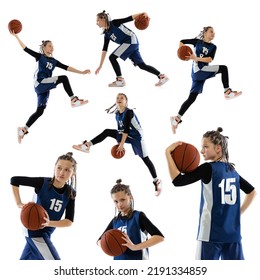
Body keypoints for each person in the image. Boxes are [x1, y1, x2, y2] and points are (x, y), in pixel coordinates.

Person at [165, 128, 256, 260]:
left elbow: (178, 181)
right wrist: (238, 213)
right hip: (233, 234)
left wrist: (168, 153)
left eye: (205, 147)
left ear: (218, 148)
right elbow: (252, 192)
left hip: (210, 235)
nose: (201, 151)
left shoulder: (208, 168)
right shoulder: (232, 171)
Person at [72, 93, 162, 196]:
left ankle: (156, 181)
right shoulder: (117, 114)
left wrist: (121, 145)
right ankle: (87, 146)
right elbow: (120, 130)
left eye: (122, 98)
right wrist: (120, 143)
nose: (119, 99)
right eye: (117, 98)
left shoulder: (129, 112)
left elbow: (127, 129)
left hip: (137, 137)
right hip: (125, 134)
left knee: (145, 159)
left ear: (126, 102)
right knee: (107, 132)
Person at [10, 31, 90, 143]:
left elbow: (66, 67)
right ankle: (73, 100)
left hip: (45, 87)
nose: (52, 47)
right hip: (40, 82)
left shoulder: (54, 61)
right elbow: (25, 48)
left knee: (40, 111)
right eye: (50, 45)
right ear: (44, 48)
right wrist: (16, 36)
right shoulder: (39, 57)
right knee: (63, 78)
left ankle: (23, 130)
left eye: (53, 46)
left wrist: (81, 72)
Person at [171, 26, 242, 134]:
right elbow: (182, 41)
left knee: (192, 98)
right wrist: (181, 52)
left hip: (201, 72)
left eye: (214, 32)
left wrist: (196, 58)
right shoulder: (197, 42)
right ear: (205, 33)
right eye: (211, 31)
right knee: (223, 68)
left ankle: (176, 118)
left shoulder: (213, 47)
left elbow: (209, 59)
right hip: (199, 70)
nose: (213, 33)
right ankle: (227, 92)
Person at [11, 152, 77, 260]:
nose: (61, 172)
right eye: (59, 168)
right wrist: (19, 203)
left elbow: (69, 221)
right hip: (34, 230)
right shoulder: (42, 183)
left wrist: (48, 223)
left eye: (67, 170)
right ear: (54, 167)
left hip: (47, 232)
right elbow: (14, 180)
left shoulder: (71, 193)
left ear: (73, 173)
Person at [95, 10, 169, 87]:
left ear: (103, 19)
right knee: (142, 65)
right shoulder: (106, 34)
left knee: (112, 57)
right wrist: (100, 65)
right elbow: (104, 49)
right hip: (131, 44)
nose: (96, 23)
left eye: (98, 20)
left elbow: (129, 18)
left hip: (130, 41)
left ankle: (120, 80)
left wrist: (142, 13)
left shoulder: (114, 23)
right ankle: (162, 76)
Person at [97, 179, 164, 260]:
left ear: (130, 197)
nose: (119, 204)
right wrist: (109, 247)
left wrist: (134, 247)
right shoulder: (115, 221)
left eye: (122, 200)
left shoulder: (138, 216)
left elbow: (159, 237)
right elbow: (99, 241)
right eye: (116, 201)